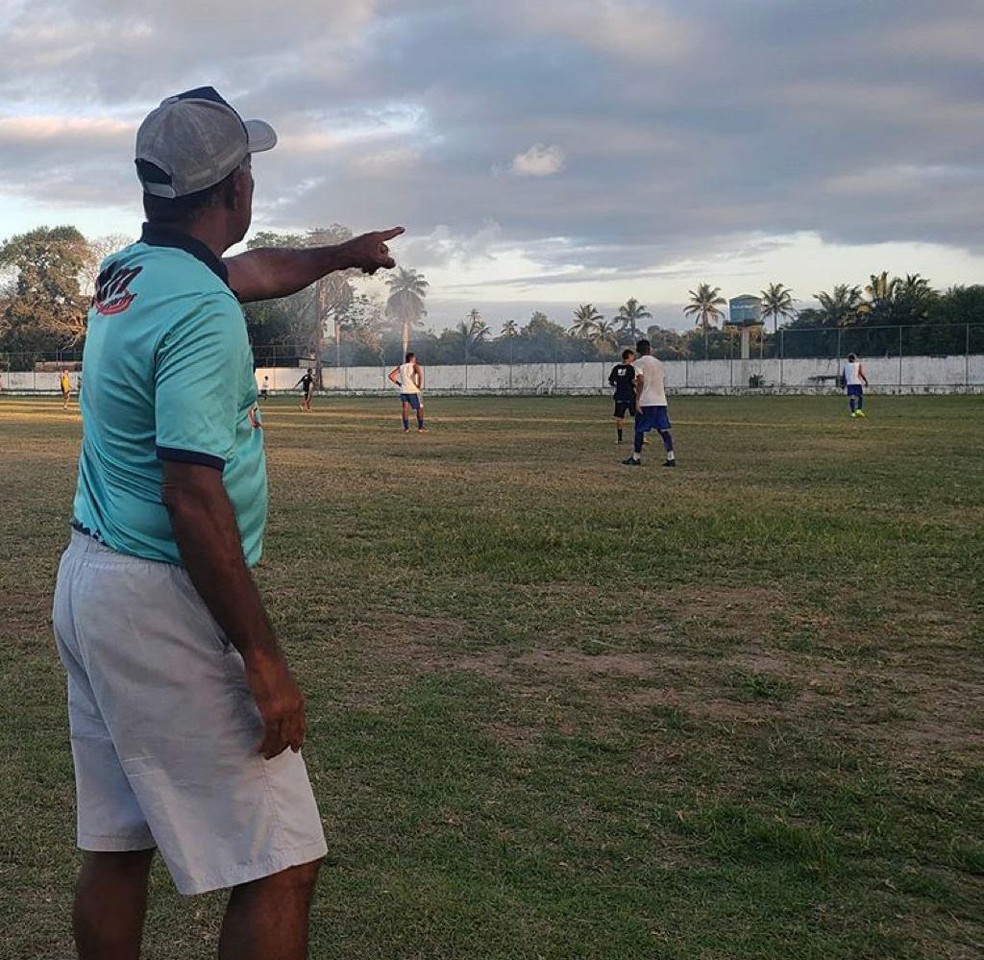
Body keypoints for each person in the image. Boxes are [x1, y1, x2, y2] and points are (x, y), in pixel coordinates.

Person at [51, 85, 403, 960]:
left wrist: (337, 255)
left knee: (117, 851)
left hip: (90, 582)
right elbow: (193, 496)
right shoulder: (201, 309)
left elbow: (252, 274)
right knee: (281, 864)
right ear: (234, 190)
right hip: (156, 596)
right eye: (249, 171)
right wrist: (263, 658)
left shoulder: (132, 274)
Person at [622, 339, 676, 467]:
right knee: (663, 429)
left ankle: (636, 457)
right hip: (660, 401)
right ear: (650, 349)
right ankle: (670, 457)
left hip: (646, 401)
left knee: (640, 430)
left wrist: (637, 399)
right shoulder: (659, 363)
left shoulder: (638, 363)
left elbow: (640, 380)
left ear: (638, 350)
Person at [388, 351, 426, 432]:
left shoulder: (401, 367)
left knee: (405, 409)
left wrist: (399, 384)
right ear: (412, 358)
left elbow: (391, 376)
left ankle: (406, 428)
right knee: (420, 408)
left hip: (404, 390)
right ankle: (420, 428)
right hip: (413, 390)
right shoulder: (415, 365)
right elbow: (420, 375)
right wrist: (419, 385)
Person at [608, 348, 636, 444]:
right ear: (629, 357)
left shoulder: (616, 368)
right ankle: (641, 437)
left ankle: (619, 439)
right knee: (637, 416)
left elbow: (611, 381)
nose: (634, 358)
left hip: (619, 396)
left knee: (619, 417)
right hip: (630, 395)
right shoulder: (630, 368)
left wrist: (618, 386)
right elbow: (633, 381)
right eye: (632, 356)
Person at [843, 352, 869, 418]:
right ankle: (859, 410)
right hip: (857, 383)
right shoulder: (858, 364)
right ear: (854, 358)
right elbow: (860, 373)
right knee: (860, 396)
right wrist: (865, 380)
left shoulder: (846, 366)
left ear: (848, 359)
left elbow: (844, 375)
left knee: (852, 397)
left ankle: (853, 412)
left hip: (850, 383)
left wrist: (843, 383)